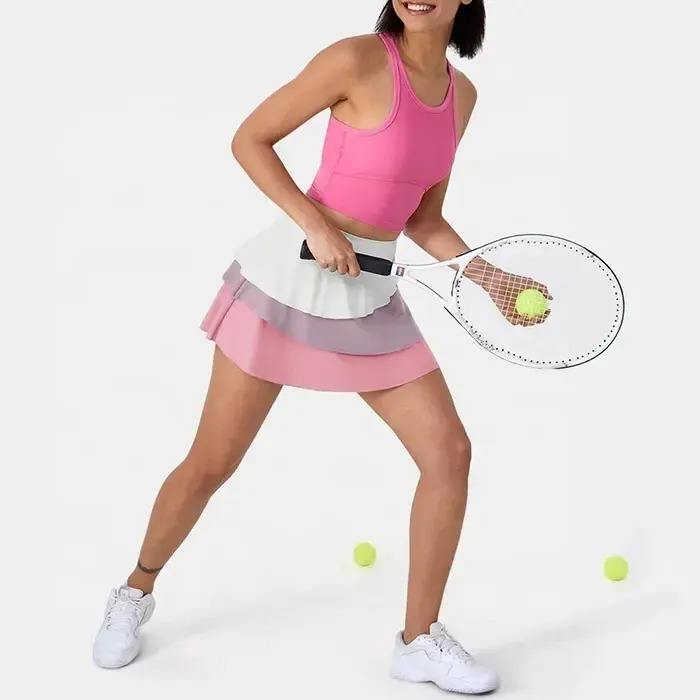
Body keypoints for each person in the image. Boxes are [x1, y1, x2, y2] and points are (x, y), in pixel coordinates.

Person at [93, 1, 502, 694]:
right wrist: (314, 223)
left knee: (449, 455)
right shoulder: (356, 59)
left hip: (369, 296)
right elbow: (250, 139)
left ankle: (418, 640)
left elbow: (424, 219)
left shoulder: (461, 95)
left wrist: (491, 278)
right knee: (212, 462)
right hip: (286, 284)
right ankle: (135, 590)